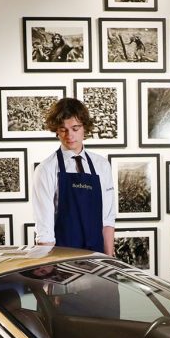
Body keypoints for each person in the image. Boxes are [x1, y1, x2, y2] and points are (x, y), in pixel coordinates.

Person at [32, 98, 115, 255]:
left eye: (75, 128)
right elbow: (45, 230)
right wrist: (49, 269)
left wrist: (109, 260)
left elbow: (108, 219)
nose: (69, 135)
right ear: (56, 130)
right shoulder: (45, 170)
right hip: (62, 258)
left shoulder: (102, 165)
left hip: (97, 258)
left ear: (85, 128)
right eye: (63, 129)